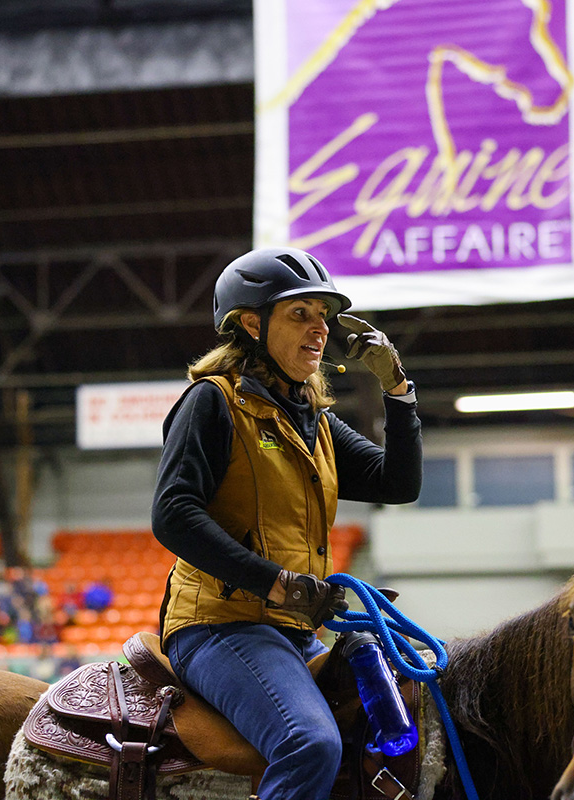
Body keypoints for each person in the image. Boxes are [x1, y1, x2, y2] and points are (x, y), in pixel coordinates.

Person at [152, 247, 422, 800]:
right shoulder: (212, 402)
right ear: (252, 324)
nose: (320, 328)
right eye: (300, 313)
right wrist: (277, 583)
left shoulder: (316, 422)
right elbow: (172, 514)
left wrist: (397, 391)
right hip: (218, 627)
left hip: (293, 633)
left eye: (324, 315)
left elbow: (398, 486)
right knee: (310, 743)